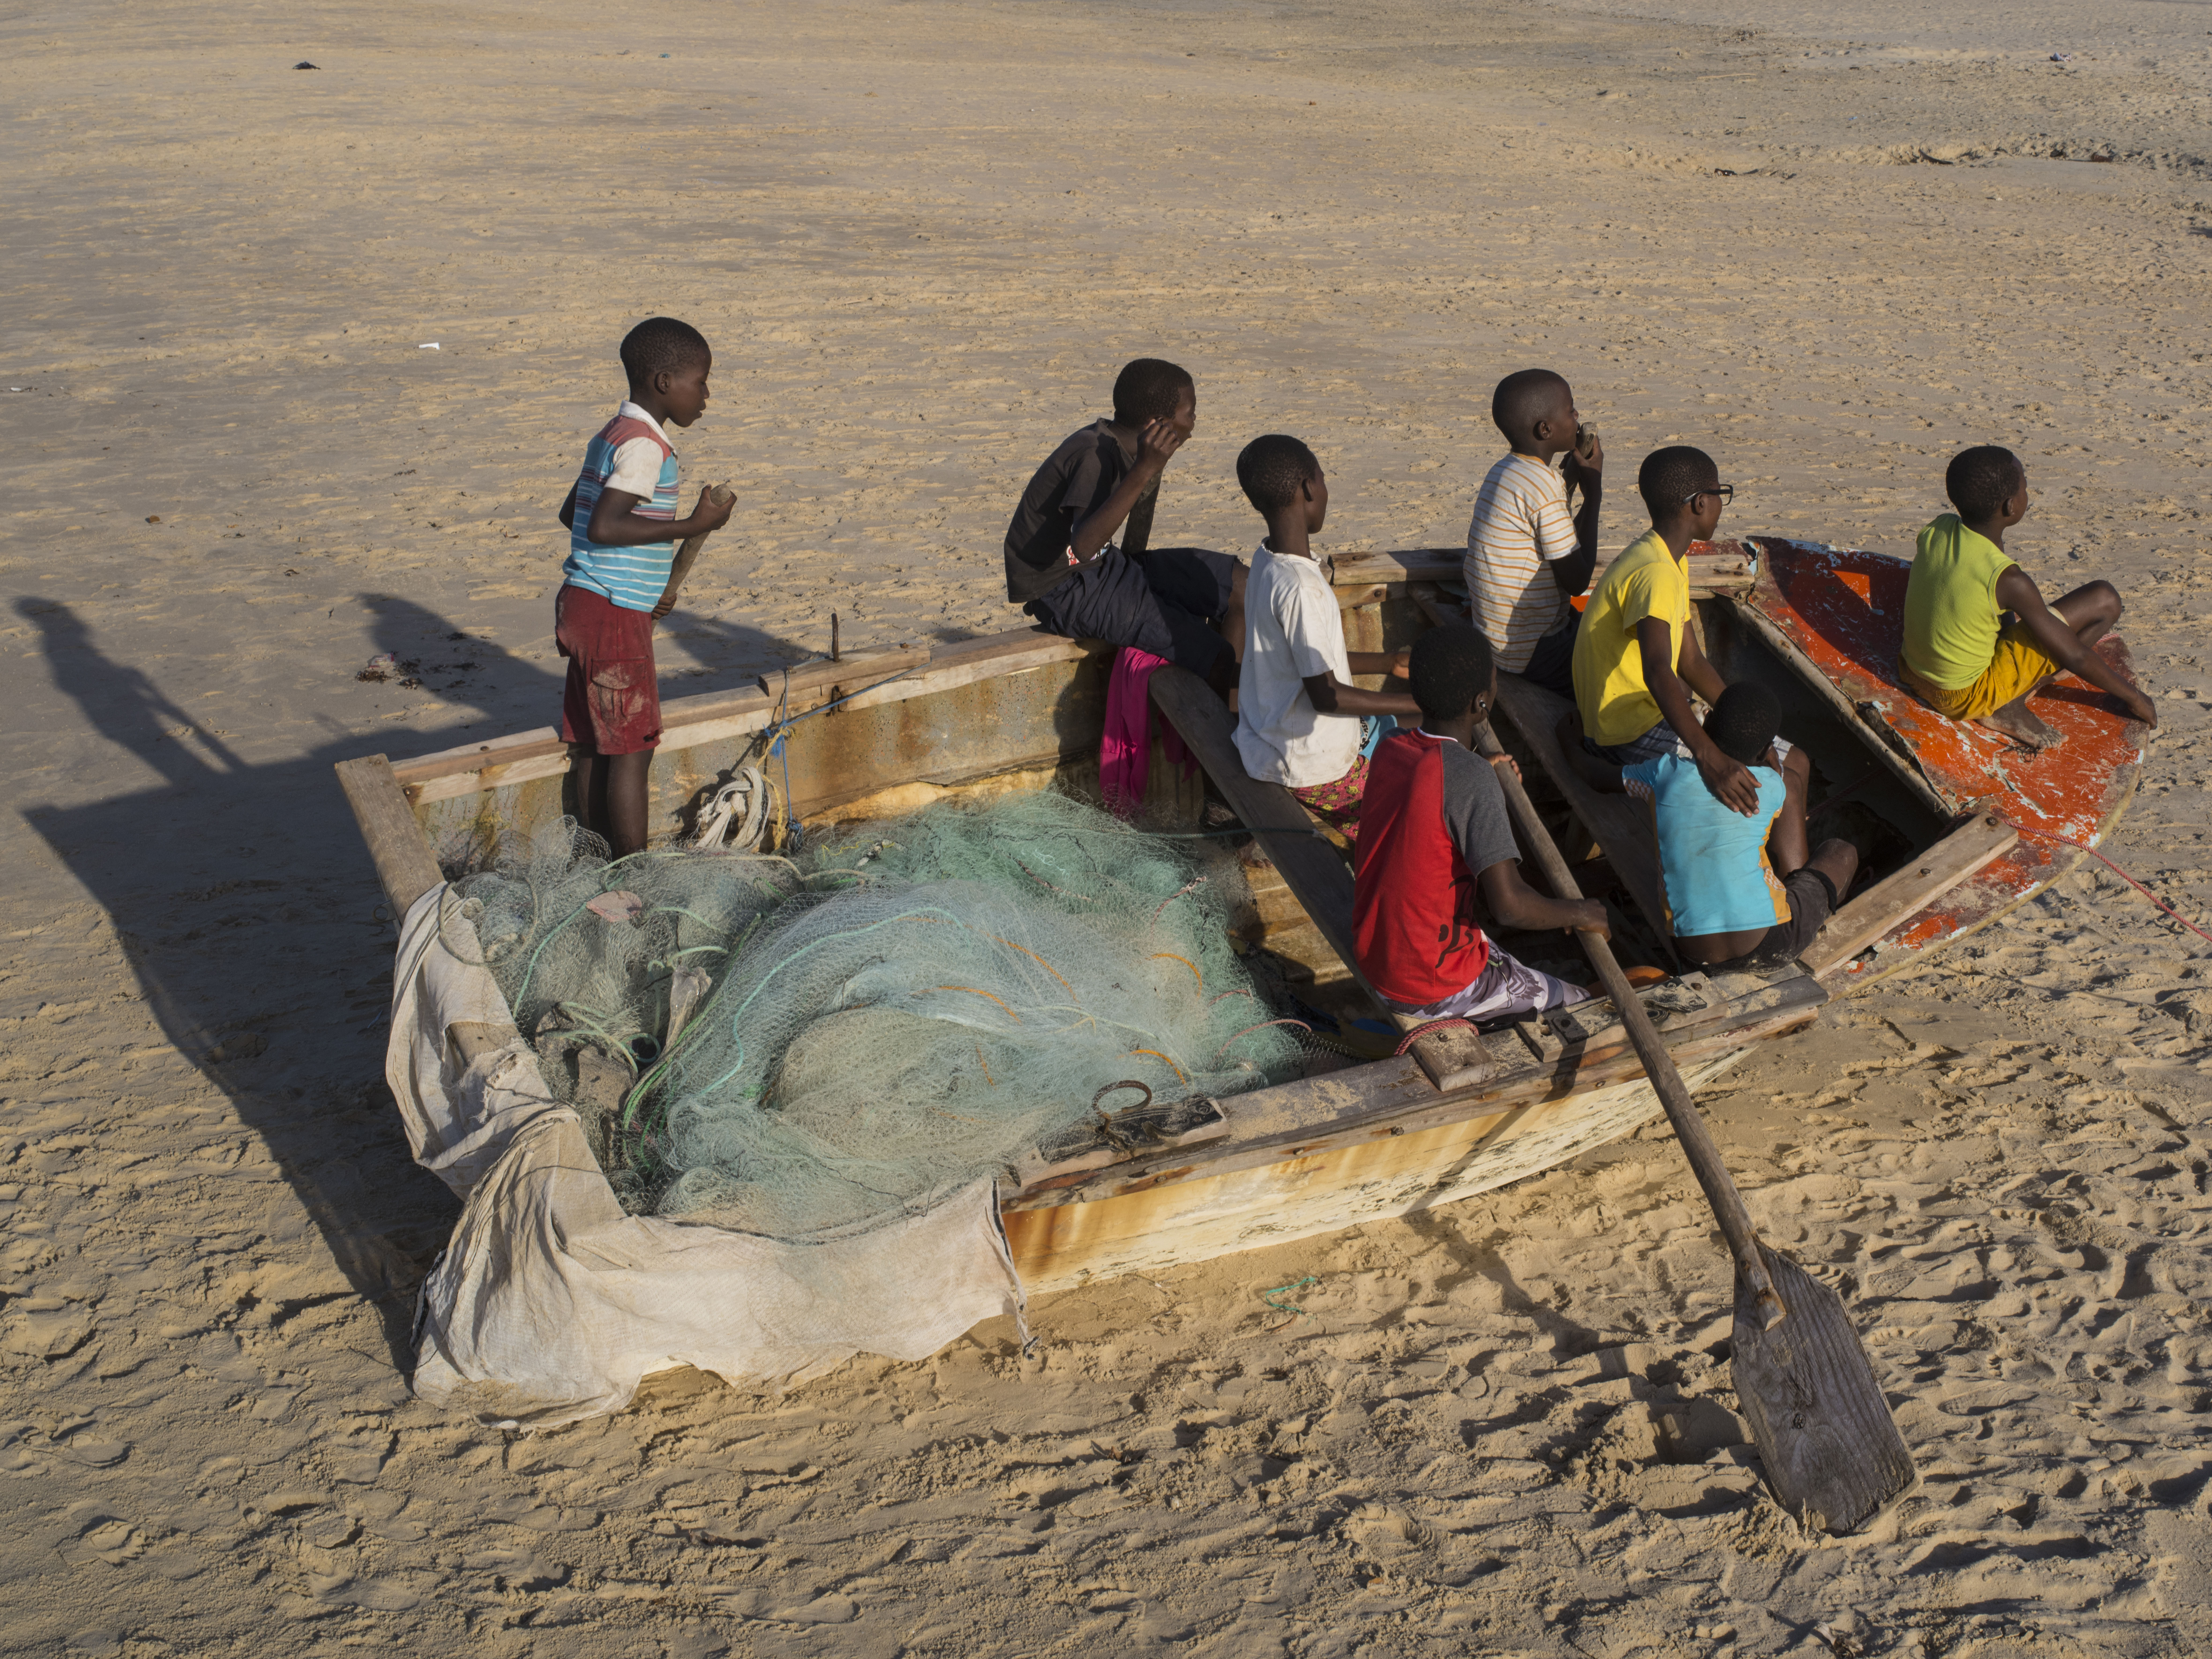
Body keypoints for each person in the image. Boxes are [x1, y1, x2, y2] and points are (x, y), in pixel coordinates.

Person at [1353, 624, 1603, 1025]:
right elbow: (1510, 907)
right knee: (1583, 1003)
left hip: (1378, 954)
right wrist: (1580, 913)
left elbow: (1433, 790)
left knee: (1506, 959)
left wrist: (1479, 776)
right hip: (1429, 985)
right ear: (1481, 704)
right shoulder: (1471, 778)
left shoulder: (1391, 748)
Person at [553, 316, 733, 857]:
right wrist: (692, 527)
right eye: (699, 382)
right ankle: (634, 875)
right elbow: (604, 525)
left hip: (590, 601)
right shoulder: (645, 448)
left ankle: (596, 859)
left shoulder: (612, 432)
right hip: (611, 616)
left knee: (593, 746)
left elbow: (573, 514)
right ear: (663, 383)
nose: (705, 395)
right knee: (632, 751)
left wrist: (651, 579)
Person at [1559, 684, 1859, 970]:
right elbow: (1783, 786)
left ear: (1706, 721)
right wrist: (1776, 769)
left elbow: (1597, 777)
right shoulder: (1774, 784)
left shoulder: (1664, 773)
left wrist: (1570, 742)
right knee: (1841, 852)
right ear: (1768, 749)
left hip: (1693, 952)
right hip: (1769, 944)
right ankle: (1810, 921)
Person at [1002, 358, 1246, 692]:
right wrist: (1147, 468)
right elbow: (1083, 549)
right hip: (1063, 587)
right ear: (1159, 423)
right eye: (1190, 413)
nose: (1194, 421)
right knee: (1217, 656)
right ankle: (1231, 733)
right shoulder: (1095, 456)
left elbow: (1133, 538)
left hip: (1109, 563)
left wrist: (1151, 585)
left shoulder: (1139, 447)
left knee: (1242, 589)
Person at [1899, 445, 2156, 750]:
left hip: (1911, 669)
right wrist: (2134, 698)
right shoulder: (2010, 581)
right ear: (2010, 507)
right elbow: (2076, 656)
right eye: (2025, 488)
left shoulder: (1938, 529)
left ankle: (2012, 685)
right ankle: (2010, 702)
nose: (2027, 493)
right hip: (1964, 697)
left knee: (2027, 625)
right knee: (2104, 600)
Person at [1231, 435, 1419, 839]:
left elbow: (1313, 663)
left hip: (1276, 736)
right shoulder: (1301, 588)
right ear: (1308, 489)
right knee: (1416, 813)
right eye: (1323, 478)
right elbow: (1327, 695)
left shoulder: (1267, 560)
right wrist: (1421, 699)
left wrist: (1386, 663)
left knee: (1417, 723)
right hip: (1313, 764)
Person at [1571, 445, 1760, 816]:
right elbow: (1658, 670)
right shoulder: (1655, 572)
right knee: (1765, 777)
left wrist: (1743, 722)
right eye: (1722, 495)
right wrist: (1710, 758)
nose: (1723, 505)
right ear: (1700, 504)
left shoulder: (1669, 558)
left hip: (1637, 715)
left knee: (1777, 756)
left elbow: (1690, 661)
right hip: (1626, 730)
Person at [1464, 368, 1604, 697]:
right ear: (1546, 429)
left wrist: (1569, 481)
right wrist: (1594, 496)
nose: (1578, 416)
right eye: (1571, 410)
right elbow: (1578, 580)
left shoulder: (1505, 470)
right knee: (1624, 655)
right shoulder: (1543, 487)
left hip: (1494, 636)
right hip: (1529, 651)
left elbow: (1547, 526)